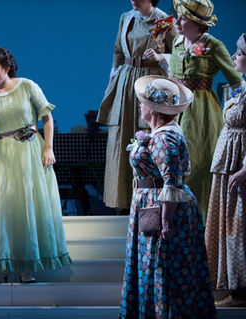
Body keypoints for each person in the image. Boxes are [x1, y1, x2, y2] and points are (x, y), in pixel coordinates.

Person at [0, 46, 72, 283]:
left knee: (28, 207)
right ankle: (1, 267)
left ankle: (26, 267)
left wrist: (49, 148)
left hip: (31, 149)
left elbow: (47, 117)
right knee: (3, 208)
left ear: (6, 68)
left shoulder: (27, 86)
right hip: (5, 153)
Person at [119, 75, 217, 318]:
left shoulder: (165, 137)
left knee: (165, 266)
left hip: (161, 208)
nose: (140, 106)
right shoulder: (161, 133)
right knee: (154, 266)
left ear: (152, 109)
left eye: (143, 103)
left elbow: (171, 181)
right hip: (151, 204)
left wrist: (165, 221)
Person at [97, 0, 177, 213]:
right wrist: (111, 81)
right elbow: (117, 51)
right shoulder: (126, 17)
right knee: (122, 135)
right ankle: (122, 202)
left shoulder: (165, 20)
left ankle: (152, 201)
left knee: (147, 134)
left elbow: (179, 54)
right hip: (126, 80)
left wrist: (161, 56)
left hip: (151, 81)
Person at [170, 0, 243, 222]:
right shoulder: (176, 42)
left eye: (183, 18)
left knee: (198, 163)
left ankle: (201, 225)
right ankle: (174, 224)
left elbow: (236, 80)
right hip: (174, 108)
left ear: (196, 23)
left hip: (200, 110)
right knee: (173, 164)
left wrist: (238, 108)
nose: (177, 21)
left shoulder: (213, 45)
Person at [206, 34, 246, 307]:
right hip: (227, 163)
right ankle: (233, 288)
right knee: (228, 225)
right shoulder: (241, 88)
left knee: (238, 226)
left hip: (239, 163)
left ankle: (242, 291)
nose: (234, 57)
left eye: (239, 53)